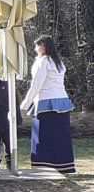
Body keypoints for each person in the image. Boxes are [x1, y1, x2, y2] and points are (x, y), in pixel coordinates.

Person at [19, 35, 75, 174]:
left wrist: (25, 104)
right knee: (60, 136)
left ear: (43, 46)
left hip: (45, 103)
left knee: (42, 136)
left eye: (37, 45)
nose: (35, 48)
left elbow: (36, 85)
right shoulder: (59, 62)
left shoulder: (42, 62)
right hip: (62, 102)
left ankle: (43, 165)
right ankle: (63, 165)